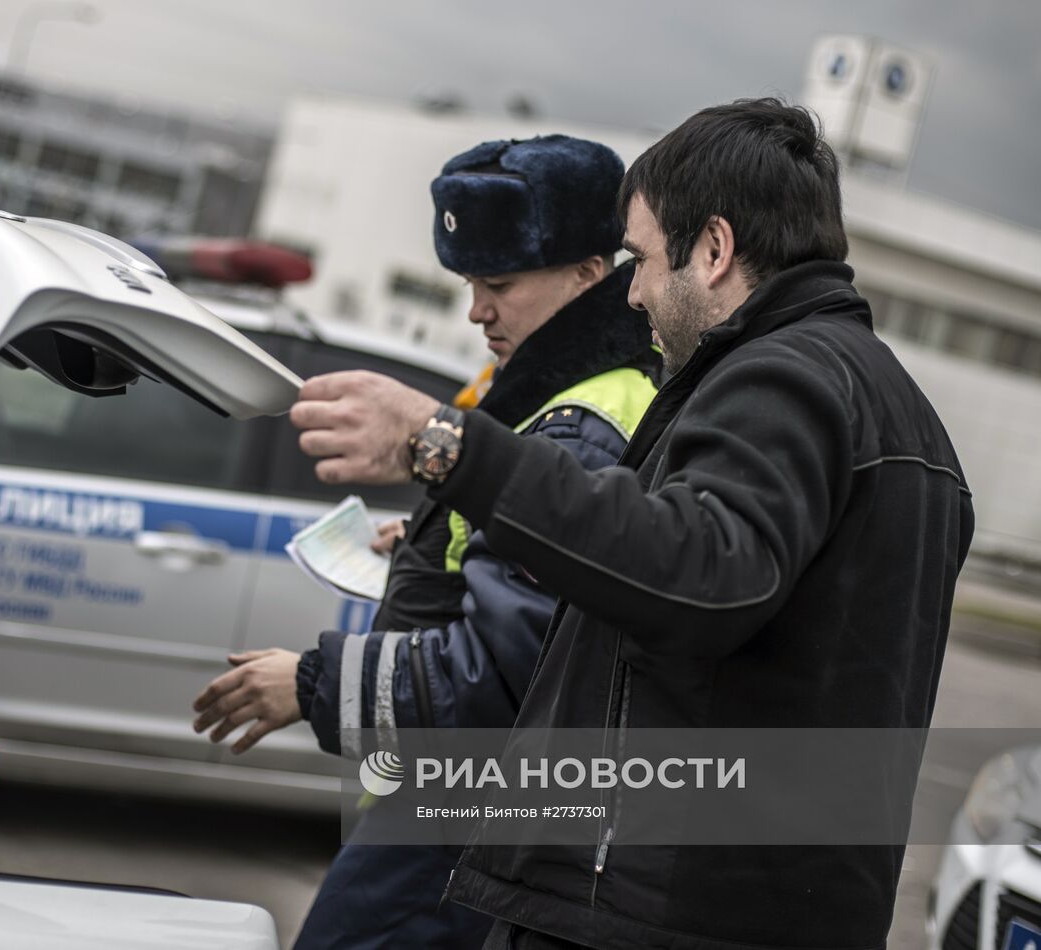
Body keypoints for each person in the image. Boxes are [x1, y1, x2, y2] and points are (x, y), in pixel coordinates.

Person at [286, 98, 973, 950]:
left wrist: (451, 450)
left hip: (667, 909)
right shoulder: (899, 416)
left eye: (641, 260)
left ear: (714, 249)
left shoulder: (780, 383)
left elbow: (699, 575)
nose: (633, 289)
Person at [192, 134, 660, 949]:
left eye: (499, 283)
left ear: (590, 274)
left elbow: (506, 676)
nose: (477, 308)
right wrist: (425, 540)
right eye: (472, 282)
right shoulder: (566, 396)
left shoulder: (578, 425)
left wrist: (309, 684)